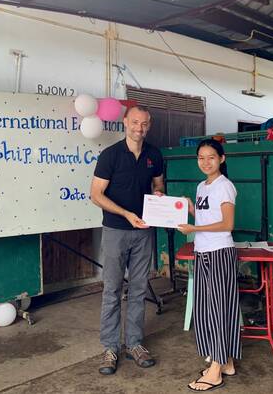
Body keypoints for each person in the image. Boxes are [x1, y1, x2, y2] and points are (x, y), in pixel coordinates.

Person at [90, 105, 164, 376]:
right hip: (115, 230)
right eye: (134, 122)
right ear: (124, 122)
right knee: (111, 290)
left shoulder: (154, 154)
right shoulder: (110, 155)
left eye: (144, 123)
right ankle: (110, 347)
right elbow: (95, 194)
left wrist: (159, 195)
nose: (139, 128)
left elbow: (159, 185)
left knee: (138, 288)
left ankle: (134, 343)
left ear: (149, 124)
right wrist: (125, 214)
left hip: (144, 231)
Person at [178, 139, 240, 392]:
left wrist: (194, 228)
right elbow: (205, 217)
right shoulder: (202, 186)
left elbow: (227, 225)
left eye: (211, 157)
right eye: (201, 157)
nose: (205, 162)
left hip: (219, 253)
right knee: (206, 310)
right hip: (203, 252)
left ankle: (215, 370)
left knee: (218, 310)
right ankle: (226, 362)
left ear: (221, 159)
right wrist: (190, 208)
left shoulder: (224, 187)